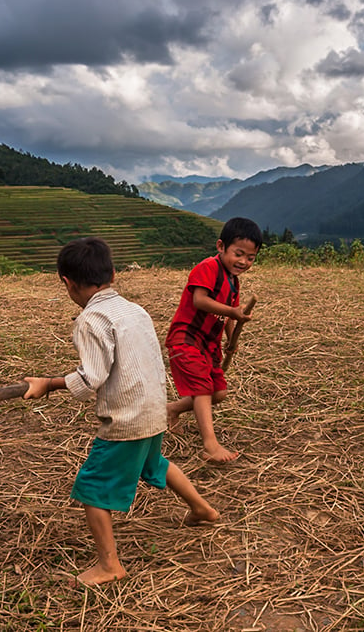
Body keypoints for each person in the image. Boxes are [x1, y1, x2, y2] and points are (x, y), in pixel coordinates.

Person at [24, 237, 219, 587]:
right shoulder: (136, 310)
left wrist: (48, 384)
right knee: (154, 463)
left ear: (67, 283)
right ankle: (202, 509)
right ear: (113, 273)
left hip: (126, 420)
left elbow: (91, 378)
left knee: (91, 487)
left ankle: (109, 565)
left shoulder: (90, 320)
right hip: (154, 409)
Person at [165, 217, 262, 464]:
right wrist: (233, 312)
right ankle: (210, 444)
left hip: (209, 344)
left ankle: (171, 410)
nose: (243, 262)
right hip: (186, 338)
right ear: (221, 246)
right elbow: (200, 301)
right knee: (202, 389)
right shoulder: (208, 267)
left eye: (250, 258)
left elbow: (229, 312)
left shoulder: (234, 282)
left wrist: (231, 338)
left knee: (218, 393)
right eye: (238, 254)